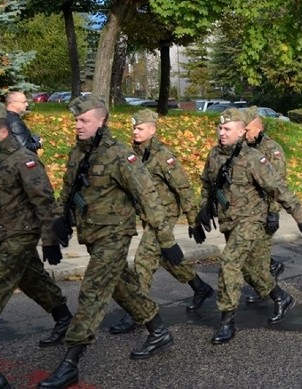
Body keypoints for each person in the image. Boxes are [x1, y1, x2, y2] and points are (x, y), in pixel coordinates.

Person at [39, 97, 183, 389]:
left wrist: (167, 239)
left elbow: (148, 196)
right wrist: (51, 237)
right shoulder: (78, 155)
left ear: (101, 121)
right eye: (77, 120)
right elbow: (65, 198)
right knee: (122, 288)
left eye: (84, 120)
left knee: (92, 292)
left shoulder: (120, 156)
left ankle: (70, 363)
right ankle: (158, 332)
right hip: (92, 237)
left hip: (115, 236)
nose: (77, 125)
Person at [193, 107, 296, 345]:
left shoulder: (263, 153)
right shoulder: (216, 154)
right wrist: (202, 210)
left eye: (227, 128)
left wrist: (280, 213)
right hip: (231, 219)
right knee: (252, 270)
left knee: (229, 263)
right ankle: (280, 296)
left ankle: (227, 321)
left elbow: (276, 185)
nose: (221, 132)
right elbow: (208, 184)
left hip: (254, 220)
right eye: (220, 127)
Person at [108, 109, 215, 335]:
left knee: (143, 260)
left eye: (140, 128)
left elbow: (183, 187)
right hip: (149, 214)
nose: (135, 131)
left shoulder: (163, 156)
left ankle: (138, 312)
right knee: (167, 257)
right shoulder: (133, 154)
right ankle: (200, 287)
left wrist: (193, 220)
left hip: (164, 214)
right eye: (134, 128)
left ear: (152, 130)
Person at [0, 103, 74, 389]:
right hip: (4, 234)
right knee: (33, 281)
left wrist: (50, 240)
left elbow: (44, 200)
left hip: (21, 235)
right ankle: (64, 318)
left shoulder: (22, 159)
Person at [242, 107, 302, 304]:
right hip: (247, 213)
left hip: (266, 212)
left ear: (259, 128)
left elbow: (278, 185)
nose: (245, 134)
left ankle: (277, 295)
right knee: (250, 256)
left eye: (248, 130)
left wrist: (273, 213)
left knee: (256, 259)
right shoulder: (242, 148)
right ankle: (270, 273)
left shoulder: (272, 150)